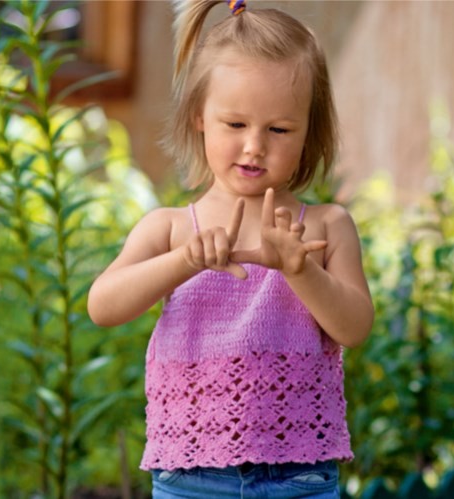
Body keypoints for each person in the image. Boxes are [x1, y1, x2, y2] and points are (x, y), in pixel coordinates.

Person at [88, 0, 374, 497]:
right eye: (235, 124)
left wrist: (301, 271)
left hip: (299, 477)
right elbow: (103, 306)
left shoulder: (326, 226)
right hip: (191, 478)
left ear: (310, 133)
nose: (254, 146)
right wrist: (182, 262)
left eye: (279, 129)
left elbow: (354, 327)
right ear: (199, 116)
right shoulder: (171, 229)